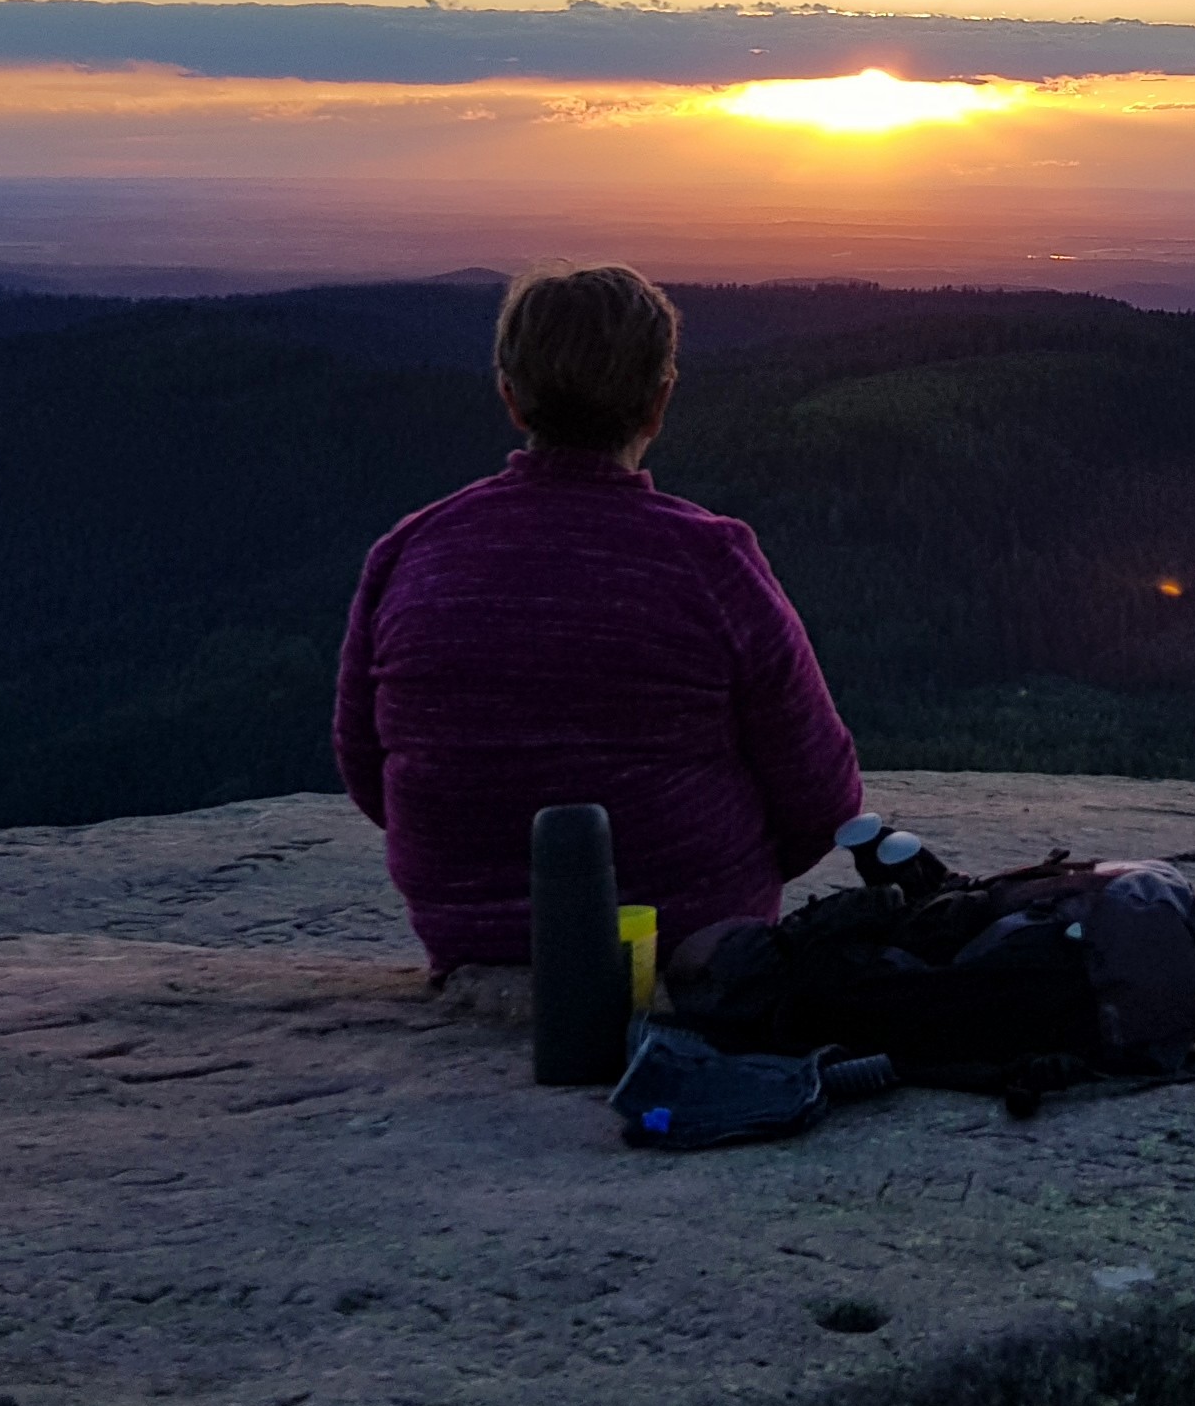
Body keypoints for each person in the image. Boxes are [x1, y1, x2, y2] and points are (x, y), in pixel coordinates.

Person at [331, 262, 862, 974]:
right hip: (685, 952)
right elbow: (822, 798)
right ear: (659, 401)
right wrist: (716, 874)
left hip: (472, 946)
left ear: (511, 398)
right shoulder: (709, 561)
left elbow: (366, 766)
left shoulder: (409, 552)